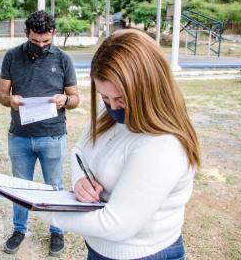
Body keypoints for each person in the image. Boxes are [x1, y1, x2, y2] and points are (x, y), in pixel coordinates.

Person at [37, 29, 200, 260]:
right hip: (99, 250)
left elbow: (117, 224)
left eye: (121, 99)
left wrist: (45, 210)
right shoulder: (110, 110)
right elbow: (79, 151)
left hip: (145, 254)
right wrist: (80, 180)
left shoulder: (163, 146)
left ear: (148, 88)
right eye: (104, 97)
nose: (112, 107)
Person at [0, 10, 80, 256]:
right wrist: (10, 99)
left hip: (52, 136)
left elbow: (76, 98)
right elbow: (1, 94)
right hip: (19, 136)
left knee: (54, 186)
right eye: (35, 41)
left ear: (53, 33)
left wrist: (65, 100)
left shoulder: (63, 59)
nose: (41, 46)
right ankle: (19, 230)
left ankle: (56, 232)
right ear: (26, 34)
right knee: (19, 187)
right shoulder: (12, 57)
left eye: (46, 41)